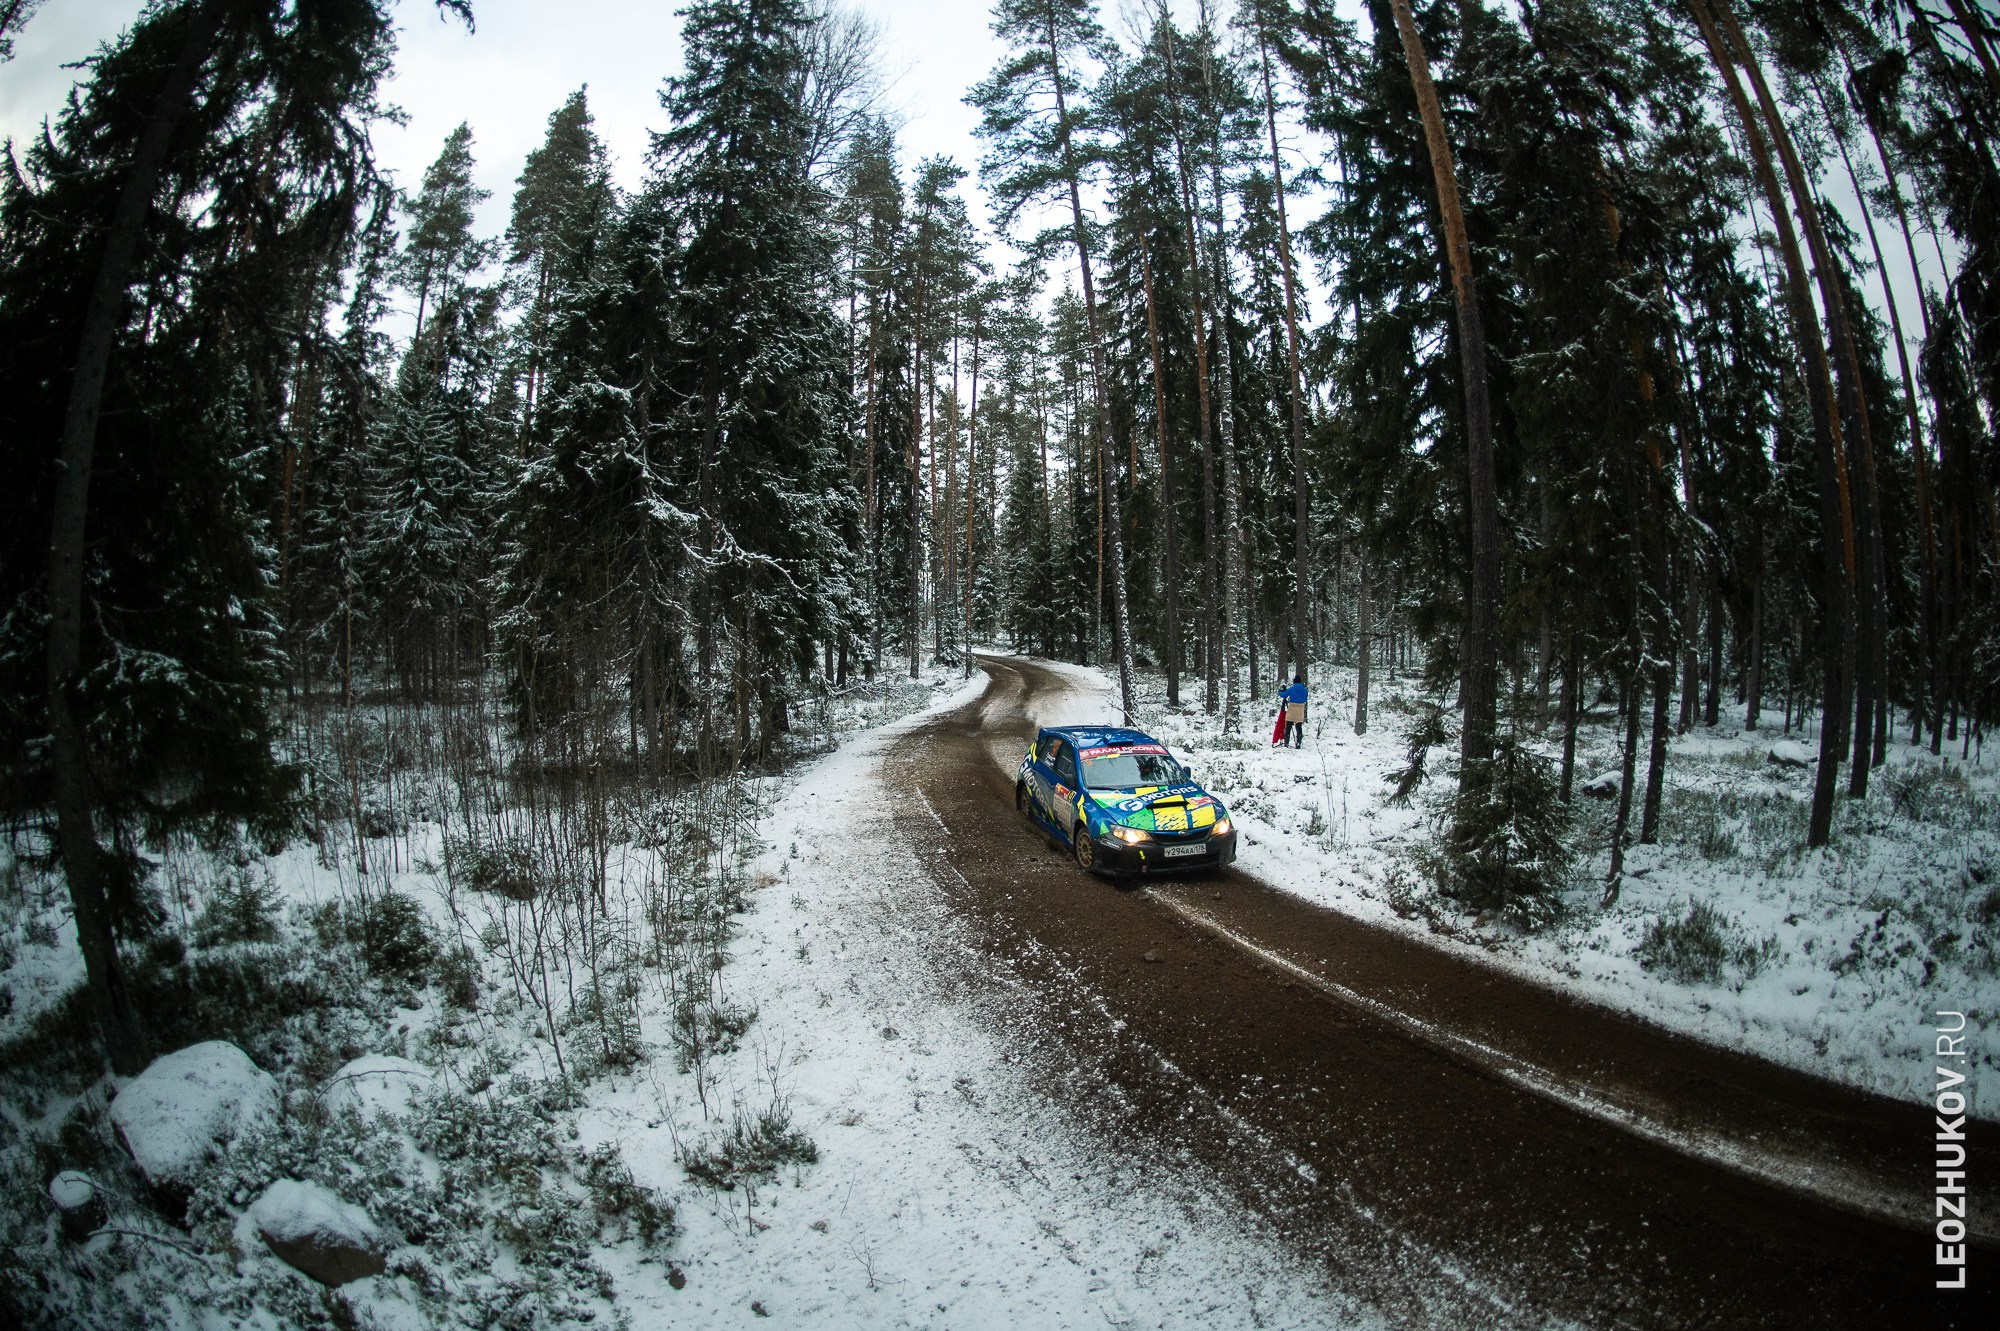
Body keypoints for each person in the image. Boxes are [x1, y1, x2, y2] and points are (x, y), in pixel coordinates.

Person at [1280, 673, 1307, 748]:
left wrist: (1280, 691)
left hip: (1292, 708)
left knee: (1288, 726)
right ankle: (1298, 742)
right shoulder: (1305, 690)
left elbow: (1283, 695)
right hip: (1300, 708)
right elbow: (1305, 699)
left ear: (1294, 681)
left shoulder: (1291, 689)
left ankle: (1286, 742)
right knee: (1299, 727)